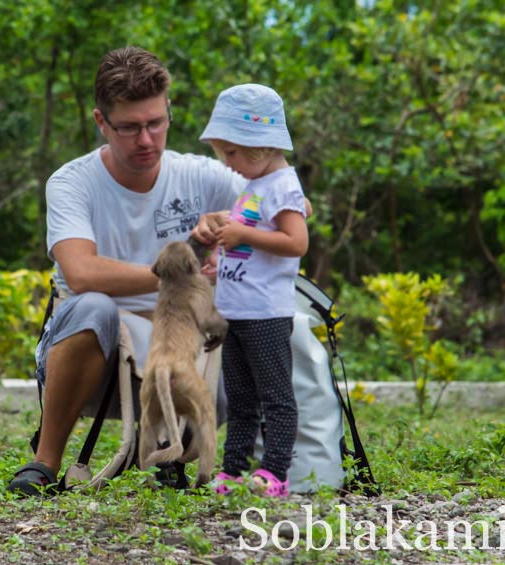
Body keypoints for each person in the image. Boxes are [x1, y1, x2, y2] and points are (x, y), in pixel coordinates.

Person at [7, 46, 245, 496]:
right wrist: (183, 269)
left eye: (156, 123)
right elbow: (79, 272)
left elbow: (288, 209)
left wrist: (235, 232)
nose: (147, 140)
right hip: (98, 363)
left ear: (169, 111)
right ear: (101, 122)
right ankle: (44, 462)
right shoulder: (72, 182)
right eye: (130, 128)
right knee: (92, 305)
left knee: (264, 313)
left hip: (191, 358)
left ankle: (241, 458)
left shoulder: (201, 175)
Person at [196, 84, 309, 498]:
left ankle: (275, 472)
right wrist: (219, 263)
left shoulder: (281, 185)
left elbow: (296, 243)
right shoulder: (255, 185)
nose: (227, 162)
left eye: (232, 153)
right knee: (241, 398)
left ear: (259, 146)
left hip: (265, 312)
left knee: (275, 396)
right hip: (236, 310)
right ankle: (233, 470)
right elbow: (250, 244)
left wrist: (242, 232)